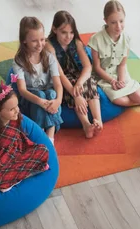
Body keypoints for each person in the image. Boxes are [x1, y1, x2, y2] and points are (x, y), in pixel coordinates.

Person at [0, 80, 50, 192]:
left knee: (43, 150)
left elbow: (22, 137)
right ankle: (22, 174)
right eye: (11, 109)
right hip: (0, 161)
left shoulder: (16, 118)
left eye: (17, 106)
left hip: (19, 152)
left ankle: (13, 178)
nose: (17, 111)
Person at [89, 0, 140, 107]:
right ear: (106, 21)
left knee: (139, 97)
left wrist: (121, 81)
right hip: (104, 77)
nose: (118, 26)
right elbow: (97, 68)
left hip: (120, 73)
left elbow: (122, 65)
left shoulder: (126, 39)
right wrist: (112, 81)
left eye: (121, 21)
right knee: (120, 101)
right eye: (113, 22)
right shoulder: (96, 39)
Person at [47, 10, 103, 138]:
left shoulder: (76, 42)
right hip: (59, 77)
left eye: (71, 32)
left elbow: (88, 67)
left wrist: (79, 83)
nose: (68, 36)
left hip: (76, 73)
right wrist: (75, 94)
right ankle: (86, 124)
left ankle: (98, 120)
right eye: (64, 32)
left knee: (90, 82)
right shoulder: (49, 46)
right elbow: (59, 73)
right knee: (72, 88)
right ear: (54, 29)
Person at [13, 16, 64, 143]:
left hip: (48, 96)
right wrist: (40, 101)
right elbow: (22, 90)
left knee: (51, 93)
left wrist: (58, 100)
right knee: (41, 94)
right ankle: (40, 132)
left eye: (42, 39)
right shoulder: (19, 61)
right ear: (24, 40)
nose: (40, 44)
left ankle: (50, 137)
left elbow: (58, 84)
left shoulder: (49, 57)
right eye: (34, 41)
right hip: (30, 98)